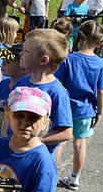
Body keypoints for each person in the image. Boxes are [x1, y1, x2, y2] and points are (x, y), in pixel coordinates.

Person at [54, 20, 103, 191]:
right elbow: (102, 92)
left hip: (65, 108)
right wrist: (100, 112)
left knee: (59, 143)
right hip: (86, 110)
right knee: (80, 144)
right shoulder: (101, 64)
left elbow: (59, 84)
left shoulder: (68, 59)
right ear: (99, 43)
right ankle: (74, 178)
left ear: (78, 37)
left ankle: (50, 172)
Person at [12, 29, 72, 162]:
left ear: (43, 60)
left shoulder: (58, 92)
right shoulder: (21, 83)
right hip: (14, 151)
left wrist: (38, 140)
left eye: (26, 51)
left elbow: (66, 133)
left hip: (36, 158)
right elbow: (9, 114)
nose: (21, 53)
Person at [0, 44, 28, 143]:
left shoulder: (25, 93)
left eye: (8, 62)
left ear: (23, 68)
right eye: (4, 60)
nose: (3, 63)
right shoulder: (2, 85)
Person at [0, 17, 19, 92]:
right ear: (9, 32)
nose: (16, 34)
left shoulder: (7, 46)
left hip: (7, 82)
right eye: (15, 32)